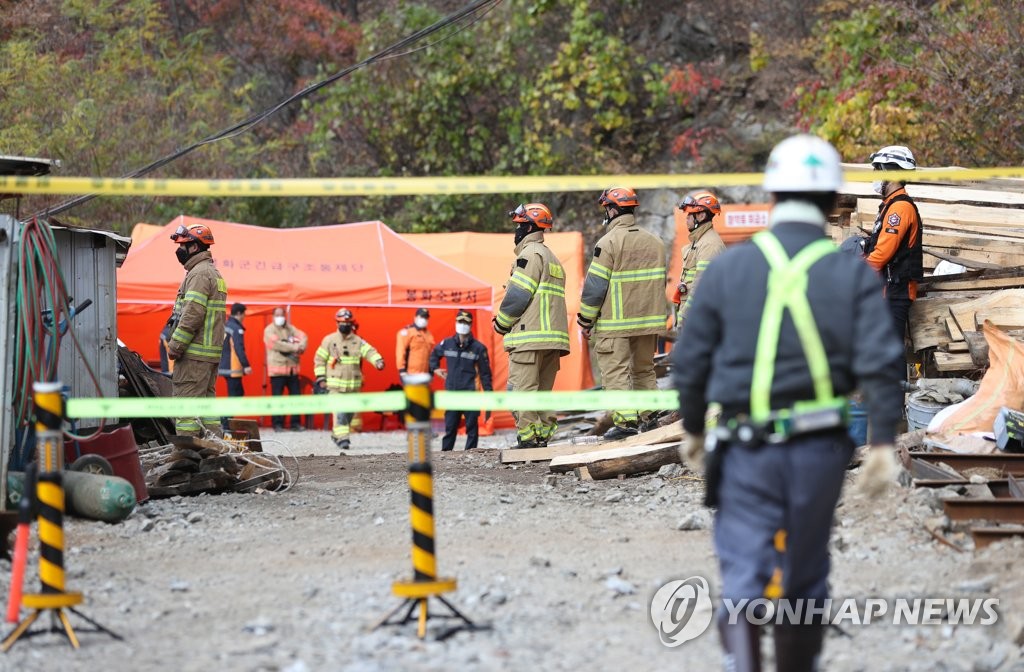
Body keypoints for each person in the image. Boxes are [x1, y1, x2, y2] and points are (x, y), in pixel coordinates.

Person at [672, 134, 906, 672]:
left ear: (773, 196)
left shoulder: (730, 269)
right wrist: (883, 445)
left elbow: (691, 363)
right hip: (818, 451)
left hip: (742, 448)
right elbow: (881, 363)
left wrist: (693, 430)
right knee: (804, 575)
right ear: (830, 202)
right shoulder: (849, 272)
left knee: (744, 572)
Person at [578, 187, 667, 441]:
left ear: (613, 210)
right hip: (648, 321)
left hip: (616, 324)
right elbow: (659, 283)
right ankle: (652, 416)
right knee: (644, 370)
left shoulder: (608, 243)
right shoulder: (656, 241)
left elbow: (595, 288)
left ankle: (626, 422)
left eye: (607, 208)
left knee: (616, 372)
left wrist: (586, 319)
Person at [493, 203, 569, 448]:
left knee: (522, 391)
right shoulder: (552, 258)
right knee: (542, 393)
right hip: (552, 339)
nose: (516, 230)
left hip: (528, 338)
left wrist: (501, 324)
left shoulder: (529, 255)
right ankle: (542, 438)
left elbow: (517, 295)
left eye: (518, 225)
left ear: (528, 226)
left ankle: (528, 439)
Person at [864, 145, 923, 382]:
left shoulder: (900, 208)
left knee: (891, 349)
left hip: (896, 291)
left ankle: (896, 408)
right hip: (888, 289)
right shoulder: (891, 205)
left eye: (879, 169)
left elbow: (882, 253)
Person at [165, 222, 227, 437]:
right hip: (207, 355)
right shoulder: (210, 273)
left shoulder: (199, 274)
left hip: (194, 355)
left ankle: (187, 457)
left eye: (183, 245)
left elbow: (192, 313)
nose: (179, 250)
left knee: (186, 408)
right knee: (206, 408)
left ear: (195, 247)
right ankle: (216, 452)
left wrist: (175, 346)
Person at [314, 308, 385, 451]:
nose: (344, 325)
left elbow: (370, 352)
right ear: (337, 323)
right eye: (341, 322)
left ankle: (336, 434)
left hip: (353, 386)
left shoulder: (357, 341)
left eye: (347, 322)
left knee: (349, 414)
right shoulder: (329, 340)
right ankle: (343, 439)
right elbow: (319, 359)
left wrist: (378, 361)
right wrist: (321, 378)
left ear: (351, 323)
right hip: (335, 386)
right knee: (340, 411)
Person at [430, 309, 493, 451]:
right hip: (452, 393)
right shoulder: (446, 344)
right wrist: (435, 368)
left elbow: (485, 374)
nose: (462, 325)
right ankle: (445, 455)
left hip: (470, 393)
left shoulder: (478, 348)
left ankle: (470, 455)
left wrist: (489, 396)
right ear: (456, 323)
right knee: (450, 428)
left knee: (472, 428)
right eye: (460, 322)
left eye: (466, 322)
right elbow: (434, 355)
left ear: (471, 325)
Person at [673, 190, 726, 331]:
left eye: (690, 214)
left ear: (701, 215)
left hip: (697, 319)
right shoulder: (699, 242)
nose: (687, 218)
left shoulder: (710, 244)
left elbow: (702, 283)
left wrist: (685, 315)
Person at [264, 306, 308, 431]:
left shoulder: (290, 328)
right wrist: (295, 347)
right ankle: (277, 424)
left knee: (295, 397)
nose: (280, 318)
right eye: (277, 315)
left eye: (282, 315)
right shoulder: (269, 330)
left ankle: (295, 423)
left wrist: (301, 346)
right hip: (277, 371)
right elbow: (277, 345)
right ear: (273, 316)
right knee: (278, 399)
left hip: (292, 370)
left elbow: (303, 337)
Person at [219, 303, 252, 397]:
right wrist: (246, 365)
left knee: (235, 393)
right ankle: (227, 412)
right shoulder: (235, 328)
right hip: (233, 367)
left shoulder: (225, 325)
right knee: (236, 395)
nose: (244, 317)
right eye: (243, 315)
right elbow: (238, 348)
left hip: (224, 365)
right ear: (238, 313)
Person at [396, 308, 436, 377]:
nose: (424, 319)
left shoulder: (429, 334)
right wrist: (402, 370)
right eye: (421, 317)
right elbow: (400, 351)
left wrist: (431, 370)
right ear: (415, 318)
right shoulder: (407, 332)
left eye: (426, 317)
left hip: (425, 374)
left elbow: (430, 354)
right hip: (410, 373)